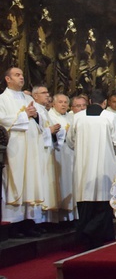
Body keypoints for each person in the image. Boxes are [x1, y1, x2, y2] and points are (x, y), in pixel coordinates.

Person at [68, 89, 116, 248]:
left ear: (89, 101)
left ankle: (85, 238)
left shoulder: (77, 118)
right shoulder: (110, 117)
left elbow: (70, 142)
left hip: (82, 168)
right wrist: (110, 152)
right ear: (105, 103)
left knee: (85, 205)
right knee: (103, 204)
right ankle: (91, 233)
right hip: (104, 167)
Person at [0, 68, 46, 234]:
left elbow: (43, 120)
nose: (21, 77)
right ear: (7, 78)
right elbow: (2, 120)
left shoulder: (27, 98)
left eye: (21, 74)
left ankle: (29, 221)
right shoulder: (2, 99)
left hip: (32, 146)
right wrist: (23, 115)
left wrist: (36, 115)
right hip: (16, 147)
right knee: (16, 181)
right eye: (16, 75)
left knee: (30, 180)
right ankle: (14, 224)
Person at [31, 86, 61, 221]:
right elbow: (34, 133)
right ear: (35, 96)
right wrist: (50, 131)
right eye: (43, 93)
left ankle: (44, 220)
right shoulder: (35, 110)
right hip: (39, 153)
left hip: (47, 152)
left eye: (47, 92)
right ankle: (37, 220)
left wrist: (54, 130)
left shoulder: (44, 111)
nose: (47, 95)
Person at [48, 93, 75, 219]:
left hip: (70, 153)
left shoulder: (71, 117)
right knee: (60, 184)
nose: (63, 104)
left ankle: (69, 216)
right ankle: (58, 218)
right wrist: (66, 132)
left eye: (65, 102)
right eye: (60, 102)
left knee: (70, 183)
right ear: (53, 103)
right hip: (57, 153)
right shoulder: (49, 116)